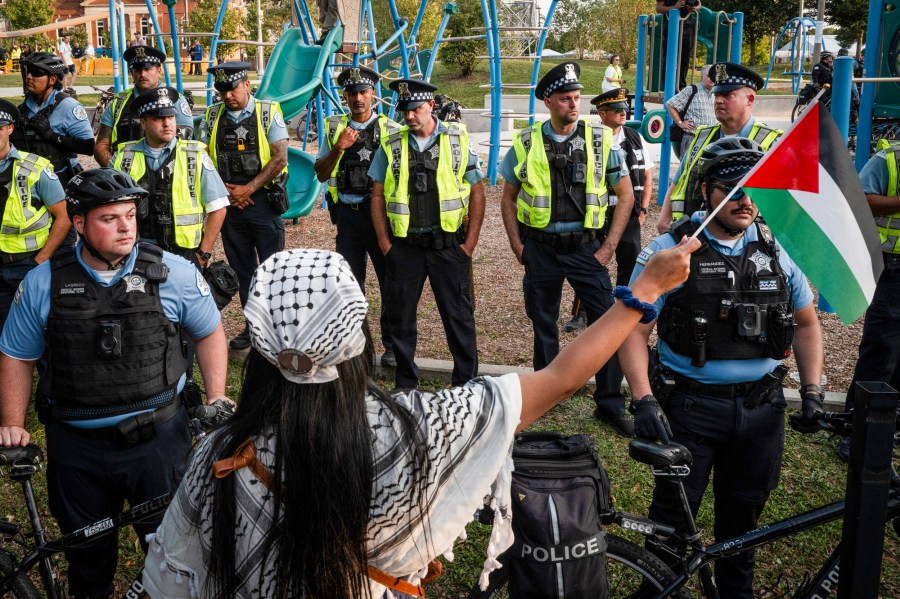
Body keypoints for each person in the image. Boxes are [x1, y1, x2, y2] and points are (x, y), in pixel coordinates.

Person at [140, 236, 698, 597]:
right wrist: (643, 289)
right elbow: (560, 378)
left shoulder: (217, 456)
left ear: (261, 348)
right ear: (358, 335)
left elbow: (171, 575)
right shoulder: (420, 428)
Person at [0, 167, 230, 599]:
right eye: (110, 218)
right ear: (81, 223)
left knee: (173, 556)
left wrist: (216, 394)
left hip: (159, 441)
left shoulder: (172, 273)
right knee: (87, 559)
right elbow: (17, 354)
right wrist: (13, 422)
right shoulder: (42, 283)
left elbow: (208, 330)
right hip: (76, 447)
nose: (126, 226)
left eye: (130, 215)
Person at [619, 137, 824, 598]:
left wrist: (812, 390)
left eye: (754, 191)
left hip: (761, 412)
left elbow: (807, 322)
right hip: (690, 410)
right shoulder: (670, 252)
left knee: (743, 523)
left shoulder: (776, 250)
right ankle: (659, 590)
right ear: (707, 191)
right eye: (732, 189)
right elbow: (632, 330)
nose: (746, 201)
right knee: (671, 525)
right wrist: (643, 399)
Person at [498, 62, 636, 437]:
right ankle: (546, 395)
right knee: (543, 321)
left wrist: (608, 245)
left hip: (586, 248)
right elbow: (507, 197)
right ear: (548, 102)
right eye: (565, 99)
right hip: (540, 249)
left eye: (577, 98)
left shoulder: (600, 140)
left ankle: (609, 402)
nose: (574, 105)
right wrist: (516, 243)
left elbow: (625, 195)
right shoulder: (526, 143)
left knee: (606, 322)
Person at [369, 78, 485, 389]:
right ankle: (405, 383)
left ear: (431, 106)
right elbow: (377, 195)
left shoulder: (457, 140)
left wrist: (469, 244)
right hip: (405, 248)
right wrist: (384, 244)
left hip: (448, 247)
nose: (409, 117)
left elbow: (477, 191)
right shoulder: (391, 144)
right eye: (404, 110)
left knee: (459, 318)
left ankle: (465, 383)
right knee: (400, 318)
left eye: (415, 109)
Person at [315, 66, 400, 366]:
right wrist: (339, 148)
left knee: (390, 281)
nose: (358, 99)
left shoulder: (391, 130)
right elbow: (321, 173)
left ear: (374, 93)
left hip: (379, 217)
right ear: (345, 97)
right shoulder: (333, 127)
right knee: (350, 284)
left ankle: (392, 345)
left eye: (363, 92)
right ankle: (356, 345)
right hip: (348, 218)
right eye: (352, 93)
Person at [201, 62, 288, 350]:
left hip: (262, 201)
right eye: (221, 90)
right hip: (229, 203)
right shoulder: (212, 116)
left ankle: (279, 333)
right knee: (243, 270)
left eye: (232, 89)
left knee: (272, 269)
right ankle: (253, 329)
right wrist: (228, 192)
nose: (227, 96)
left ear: (247, 84)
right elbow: (202, 157)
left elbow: (280, 158)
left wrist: (249, 188)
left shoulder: (267, 112)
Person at [656, 62, 782, 234]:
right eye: (716, 95)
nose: (718, 100)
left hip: (743, 242)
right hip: (693, 233)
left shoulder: (771, 142)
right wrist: (664, 218)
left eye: (728, 95)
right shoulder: (702, 136)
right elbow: (680, 179)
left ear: (750, 100)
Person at [111, 87, 227, 268]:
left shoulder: (195, 154)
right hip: (136, 250)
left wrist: (203, 254)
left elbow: (218, 208)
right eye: (158, 118)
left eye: (171, 117)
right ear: (143, 122)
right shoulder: (124, 156)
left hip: (184, 253)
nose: (167, 123)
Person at [837, 140, 900, 460]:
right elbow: (861, 200)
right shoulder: (889, 158)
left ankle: (890, 426)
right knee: (881, 352)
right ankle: (857, 431)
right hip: (893, 270)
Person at [0, 99, 69, 328]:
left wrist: (41, 260)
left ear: (10, 129)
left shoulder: (35, 167)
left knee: (39, 334)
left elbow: (64, 217)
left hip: (27, 264)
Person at [95, 46, 194, 167]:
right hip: (123, 173)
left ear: (159, 70)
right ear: (131, 73)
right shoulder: (118, 102)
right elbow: (101, 145)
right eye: (137, 70)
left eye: (147, 69)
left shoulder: (175, 100)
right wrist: (119, 174)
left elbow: (183, 145)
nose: (142, 74)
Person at [594, 88, 653, 287]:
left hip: (629, 214)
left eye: (625, 108)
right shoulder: (593, 138)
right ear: (602, 114)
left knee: (630, 261)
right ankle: (586, 312)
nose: (623, 113)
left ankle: (623, 306)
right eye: (617, 109)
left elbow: (646, 175)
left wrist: (643, 209)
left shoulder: (636, 137)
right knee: (592, 262)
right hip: (598, 213)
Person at [12, 52, 95, 191]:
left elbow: (88, 147)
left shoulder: (68, 106)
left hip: (61, 181)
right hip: (29, 182)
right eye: (28, 72)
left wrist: (51, 135)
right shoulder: (24, 107)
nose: (28, 76)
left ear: (52, 79)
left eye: (36, 73)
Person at [665, 63, 715, 159]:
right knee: (687, 168)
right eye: (709, 76)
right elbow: (670, 104)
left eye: (713, 76)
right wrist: (680, 123)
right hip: (693, 137)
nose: (711, 79)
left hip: (711, 139)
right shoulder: (692, 90)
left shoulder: (716, 93)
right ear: (702, 77)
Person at [656, 0, 701, 90]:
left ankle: (681, 87)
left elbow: (699, 5)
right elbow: (659, 8)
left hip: (687, 26)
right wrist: (674, 7)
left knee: (685, 59)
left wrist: (693, 8)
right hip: (671, 24)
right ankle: (669, 87)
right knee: (670, 57)